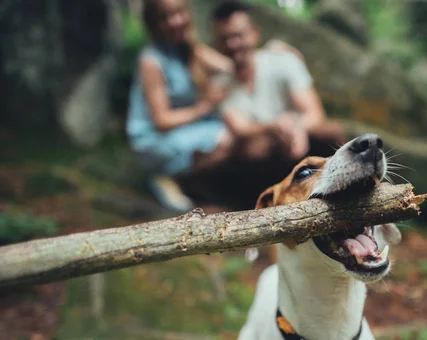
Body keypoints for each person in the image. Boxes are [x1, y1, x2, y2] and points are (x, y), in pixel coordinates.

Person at [126, 0, 238, 213]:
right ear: (154, 24)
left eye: (179, 13)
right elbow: (162, 120)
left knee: (230, 126)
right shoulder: (151, 60)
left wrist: (272, 51)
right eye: (166, 17)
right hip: (154, 138)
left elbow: (234, 67)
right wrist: (206, 106)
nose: (175, 21)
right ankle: (168, 176)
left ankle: (186, 183)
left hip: (184, 129)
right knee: (226, 136)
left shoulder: (190, 49)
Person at [211, 1, 348, 163]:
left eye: (238, 36)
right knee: (256, 148)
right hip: (261, 154)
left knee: (332, 132)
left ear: (255, 33)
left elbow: (314, 114)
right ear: (217, 43)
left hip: (302, 137)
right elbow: (241, 129)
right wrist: (275, 127)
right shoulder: (219, 85)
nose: (232, 44)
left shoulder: (283, 60)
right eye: (225, 39)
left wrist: (294, 129)